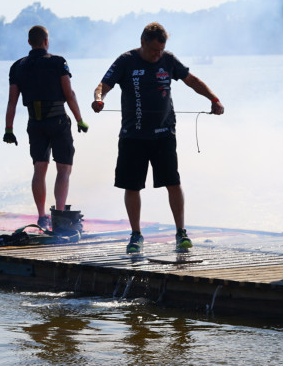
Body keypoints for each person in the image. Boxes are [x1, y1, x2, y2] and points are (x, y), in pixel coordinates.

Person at [92, 22, 224, 253]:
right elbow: (104, 84)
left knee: (173, 182)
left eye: (161, 50)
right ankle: (136, 235)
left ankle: (181, 232)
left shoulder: (168, 60)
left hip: (164, 135)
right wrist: (99, 98)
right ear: (142, 42)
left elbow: (191, 81)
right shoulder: (126, 60)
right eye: (154, 50)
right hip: (133, 136)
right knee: (132, 186)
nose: (157, 55)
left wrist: (214, 99)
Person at [5, 25, 88, 232]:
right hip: (58, 121)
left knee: (39, 170)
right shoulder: (58, 62)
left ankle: (42, 216)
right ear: (46, 41)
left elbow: (12, 102)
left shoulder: (17, 67)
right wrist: (79, 119)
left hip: (35, 123)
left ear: (29, 42)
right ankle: (59, 215)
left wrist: (8, 129)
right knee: (63, 169)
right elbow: (69, 94)